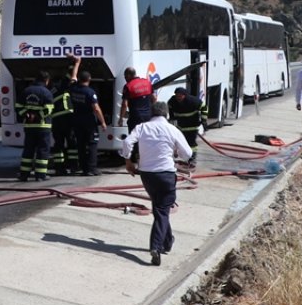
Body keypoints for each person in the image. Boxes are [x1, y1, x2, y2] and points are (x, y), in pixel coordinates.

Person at [121, 101, 192, 266]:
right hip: (166, 175)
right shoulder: (172, 130)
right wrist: (177, 152)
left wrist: (128, 162)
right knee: (162, 211)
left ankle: (167, 242)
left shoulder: (142, 127)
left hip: (147, 175)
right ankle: (156, 247)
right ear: (166, 114)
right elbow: (187, 153)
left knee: (159, 208)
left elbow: (126, 142)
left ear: (151, 113)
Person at [65, 54, 107, 176]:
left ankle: (84, 168)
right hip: (89, 121)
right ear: (89, 79)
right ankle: (92, 169)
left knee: (81, 145)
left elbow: (73, 76)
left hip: (76, 120)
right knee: (93, 144)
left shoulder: (73, 88)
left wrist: (77, 63)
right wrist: (103, 122)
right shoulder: (90, 92)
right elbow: (96, 109)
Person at [15, 70, 56, 181]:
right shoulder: (46, 92)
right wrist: (37, 117)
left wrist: (28, 116)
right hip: (43, 127)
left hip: (29, 127)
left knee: (28, 150)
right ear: (46, 80)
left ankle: (24, 174)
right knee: (43, 150)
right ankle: (40, 175)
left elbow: (18, 107)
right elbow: (49, 109)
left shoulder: (26, 91)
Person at [166, 86, 207, 166]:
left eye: (180, 96)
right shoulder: (172, 101)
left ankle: (192, 158)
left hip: (192, 125)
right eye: (177, 96)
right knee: (177, 141)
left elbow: (204, 107)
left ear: (185, 95)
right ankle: (176, 155)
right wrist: (172, 117)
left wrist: (204, 120)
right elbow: (169, 106)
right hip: (180, 126)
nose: (178, 98)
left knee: (191, 143)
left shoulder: (193, 101)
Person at [49, 70, 74, 175]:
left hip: (55, 120)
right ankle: (73, 166)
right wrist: (76, 63)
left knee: (58, 144)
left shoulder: (50, 90)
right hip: (66, 118)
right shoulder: (60, 86)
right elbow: (69, 76)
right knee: (71, 142)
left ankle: (59, 168)